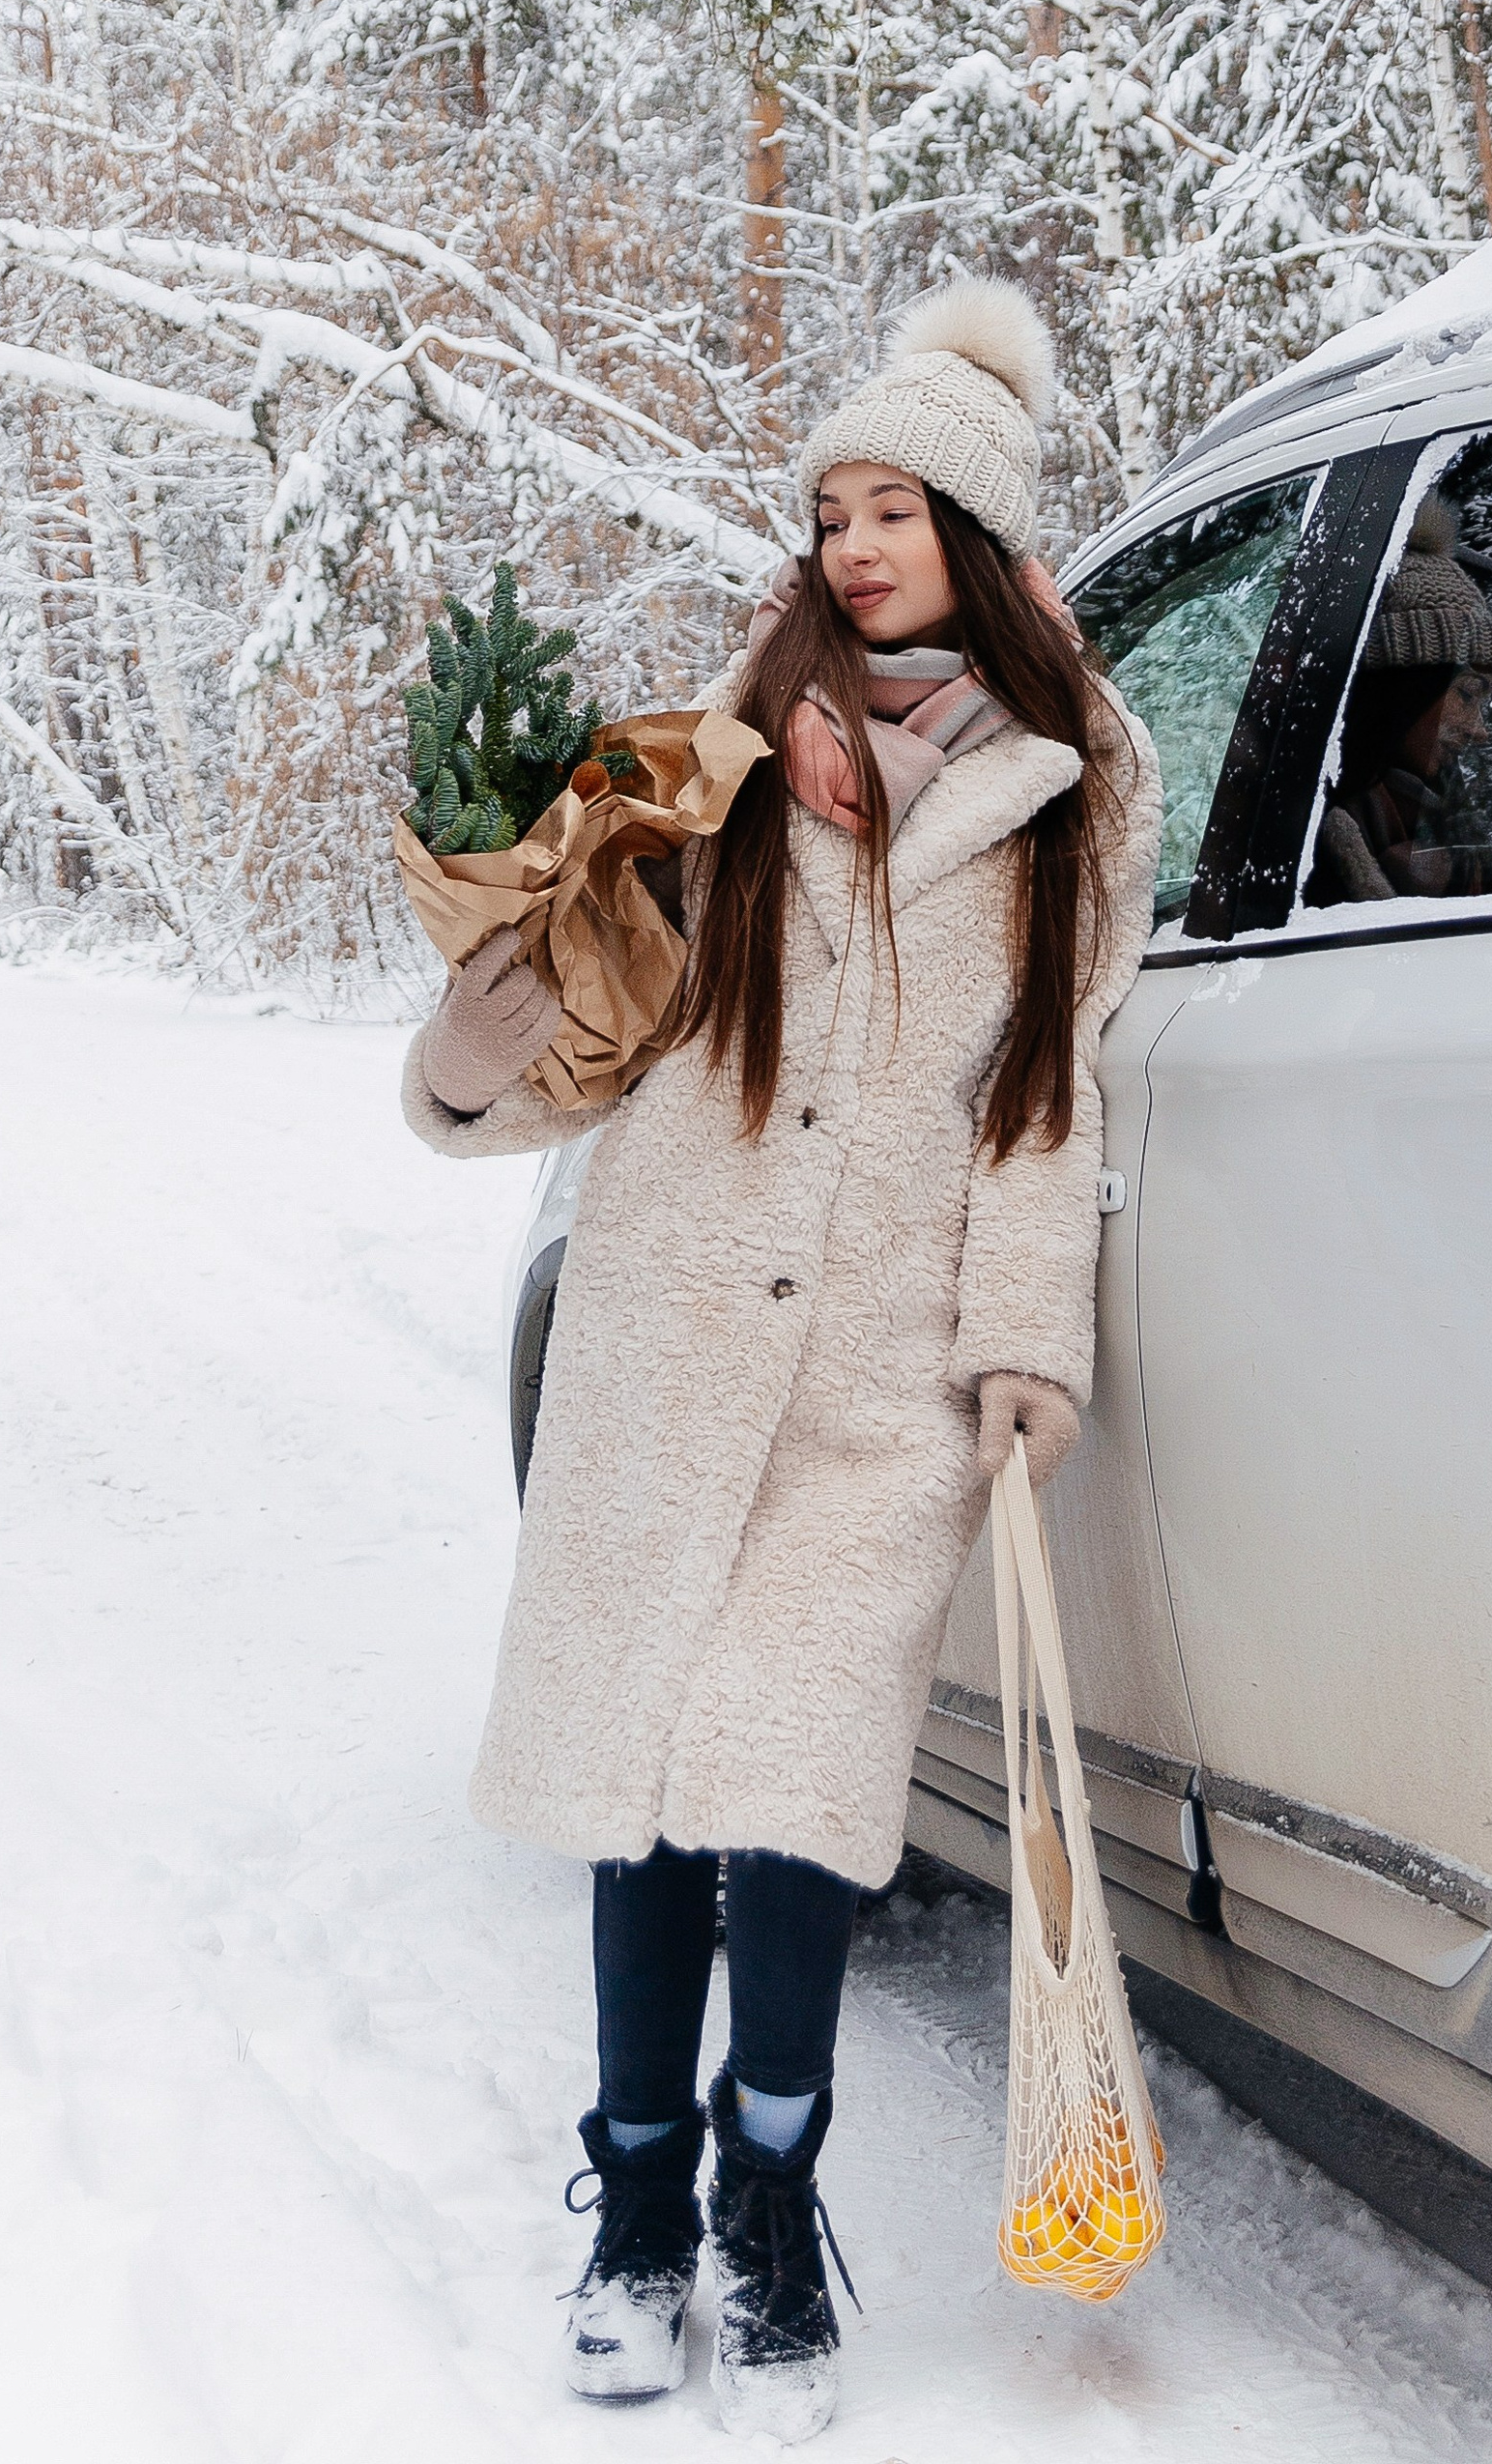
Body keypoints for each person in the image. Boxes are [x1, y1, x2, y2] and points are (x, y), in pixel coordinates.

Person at [402, 281, 1163, 2444]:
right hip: (663, 1340)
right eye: (825, 507)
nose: (847, 544)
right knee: (641, 1797)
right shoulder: (708, 760)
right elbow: (582, 1042)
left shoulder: (1065, 793)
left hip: (880, 1388)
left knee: (799, 1803)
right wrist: (483, 1008)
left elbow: (1046, 1097)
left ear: (980, 539)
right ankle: (636, 2227)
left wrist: (1024, 1340)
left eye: (889, 507)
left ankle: (767, 2202)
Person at [1307, 496, 1492, 903]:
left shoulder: (1457, 823)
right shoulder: (1306, 838)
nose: (1480, 731)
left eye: (1484, 702)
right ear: (1402, 692)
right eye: (1467, 694)